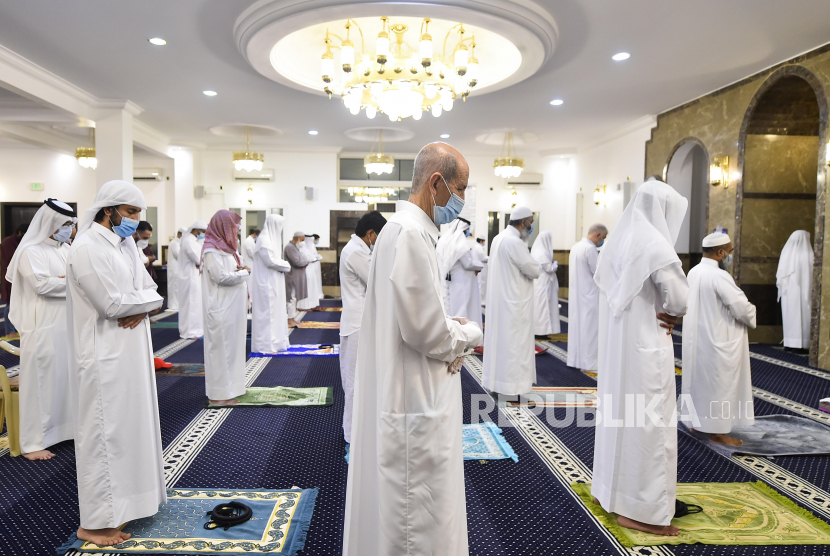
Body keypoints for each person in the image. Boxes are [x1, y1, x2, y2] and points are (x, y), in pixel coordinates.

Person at [343, 143, 482, 556]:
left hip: (409, 387)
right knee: (416, 517)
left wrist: (446, 326)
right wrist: (469, 333)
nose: (461, 199)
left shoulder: (405, 230)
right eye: (460, 188)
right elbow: (428, 335)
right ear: (437, 183)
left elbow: (418, 316)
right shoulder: (410, 233)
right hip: (414, 396)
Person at [66, 180, 165, 547]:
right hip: (103, 354)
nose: (136, 221)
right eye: (131, 212)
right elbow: (111, 306)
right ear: (108, 210)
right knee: (103, 435)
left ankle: (125, 506)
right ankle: (93, 523)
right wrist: (140, 303)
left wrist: (140, 305)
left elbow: (152, 294)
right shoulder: (88, 246)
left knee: (127, 430)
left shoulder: (124, 245)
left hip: (130, 351)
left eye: (139, 213)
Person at [592, 180, 689, 537]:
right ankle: (643, 512)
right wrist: (677, 312)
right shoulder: (655, 245)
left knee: (620, 420)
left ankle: (611, 493)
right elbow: (678, 299)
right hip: (647, 347)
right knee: (650, 426)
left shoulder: (620, 241)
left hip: (620, 349)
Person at [6, 199, 76, 461]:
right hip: (42, 327)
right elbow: (41, 286)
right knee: (41, 383)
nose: (69, 229)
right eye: (66, 224)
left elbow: (77, 280)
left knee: (65, 381)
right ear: (51, 223)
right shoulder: (30, 251)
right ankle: (33, 442)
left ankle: (64, 431)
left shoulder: (65, 249)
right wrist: (67, 282)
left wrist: (63, 281)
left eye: (71, 224)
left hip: (67, 326)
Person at [681, 232, 756, 447]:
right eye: (729, 252)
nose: (730, 256)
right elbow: (741, 307)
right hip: (718, 341)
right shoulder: (719, 276)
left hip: (698, 341)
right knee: (720, 386)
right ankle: (719, 433)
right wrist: (752, 313)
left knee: (699, 383)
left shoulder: (694, 272)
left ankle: (699, 422)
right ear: (721, 252)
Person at [481, 207, 542, 396]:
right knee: (515, 346)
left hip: (502, 303)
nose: (531, 226)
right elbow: (534, 270)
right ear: (523, 222)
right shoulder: (514, 242)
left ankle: (498, 384)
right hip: (515, 304)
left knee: (501, 345)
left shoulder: (499, 238)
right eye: (531, 222)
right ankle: (513, 388)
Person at [339, 211, 387, 443]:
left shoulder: (357, 248)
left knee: (356, 378)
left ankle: (356, 429)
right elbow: (377, 280)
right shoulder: (356, 251)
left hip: (356, 321)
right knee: (355, 380)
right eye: (379, 237)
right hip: (357, 323)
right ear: (370, 234)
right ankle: (352, 433)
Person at [201, 210, 250, 405]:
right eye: (233, 227)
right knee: (221, 351)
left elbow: (231, 271)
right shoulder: (211, 250)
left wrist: (240, 271)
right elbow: (220, 277)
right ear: (222, 226)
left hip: (233, 309)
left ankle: (234, 386)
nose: (235, 231)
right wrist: (244, 274)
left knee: (234, 349)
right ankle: (218, 396)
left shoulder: (227, 249)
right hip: (221, 309)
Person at [567, 223, 608, 373]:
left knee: (578, 329)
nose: (601, 241)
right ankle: (590, 363)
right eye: (602, 238)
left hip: (578, 295)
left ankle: (576, 360)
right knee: (590, 331)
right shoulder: (590, 249)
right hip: (589, 296)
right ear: (597, 235)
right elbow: (598, 273)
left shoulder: (576, 246)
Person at [250, 215, 291, 354]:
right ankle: (266, 345)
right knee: (268, 314)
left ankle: (277, 342)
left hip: (273, 281)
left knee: (275, 312)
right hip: (266, 284)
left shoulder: (271, 239)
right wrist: (286, 265)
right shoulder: (264, 240)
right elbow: (270, 262)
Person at [436, 217, 483, 329]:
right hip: (462, 283)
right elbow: (468, 263)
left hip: (450, 281)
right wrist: (480, 267)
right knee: (462, 310)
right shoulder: (460, 241)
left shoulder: (446, 239)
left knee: (453, 308)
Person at [777, 230, 813, 350]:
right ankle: (802, 344)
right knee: (802, 317)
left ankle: (789, 342)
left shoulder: (786, 254)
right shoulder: (808, 255)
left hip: (788, 294)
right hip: (803, 294)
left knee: (791, 316)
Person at [178, 220, 207, 339]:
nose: (203, 234)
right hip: (189, 277)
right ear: (197, 230)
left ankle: (196, 329)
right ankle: (190, 331)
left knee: (195, 303)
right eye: (203, 232)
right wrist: (202, 262)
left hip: (195, 275)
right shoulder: (188, 240)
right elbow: (197, 259)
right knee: (191, 304)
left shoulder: (194, 240)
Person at [1, 224, 29, 336]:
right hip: (10, 277)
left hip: (21, 276)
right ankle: (9, 331)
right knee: (10, 304)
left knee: (18, 303)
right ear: (19, 232)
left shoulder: (22, 242)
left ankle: (16, 328)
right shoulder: (8, 242)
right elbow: (13, 258)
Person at [531, 231, 561, 336]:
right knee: (543, 307)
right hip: (543, 283)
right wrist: (556, 264)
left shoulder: (536, 251)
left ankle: (539, 329)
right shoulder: (542, 253)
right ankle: (542, 330)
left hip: (539, 282)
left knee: (539, 306)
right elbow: (550, 268)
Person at [284, 231, 308, 328]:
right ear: (297, 238)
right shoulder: (290, 247)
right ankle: (290, 320)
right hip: (292, 276)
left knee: (295, 298)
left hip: (296, 277)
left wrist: (304, 262)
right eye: (302, 239)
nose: (303, 242)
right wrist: (305, 262)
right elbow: (297, 262)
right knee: (292, 298)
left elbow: (301, 260)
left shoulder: (294, 247)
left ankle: (292, 318)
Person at [297, 235, 322, 311]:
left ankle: (312, 305)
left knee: (312, 288)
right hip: (306, 270)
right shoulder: (302, 248)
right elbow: (308, 258)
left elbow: (312, 257)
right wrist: (315, 258)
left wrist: (315, 258)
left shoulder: (309, 248)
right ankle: (304, 306)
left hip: (311, 270)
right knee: (307, 288)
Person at [166, 228, 185, 311]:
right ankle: (173, 306)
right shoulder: (174, 243)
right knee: (174, 287)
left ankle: (176, 305)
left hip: (178, 268)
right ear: (179, 234)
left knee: (177, 287)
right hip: (174, 269)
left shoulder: (178, 242)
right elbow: (178, 254)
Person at [473, 235, 488, 307]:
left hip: (477, 268)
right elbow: (483, 258)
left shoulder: (476, 247)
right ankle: (481, 301)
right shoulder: (479, 247)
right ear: (481, 241)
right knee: (481, 284)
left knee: (479, 284)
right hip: (481, 269)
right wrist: (489, 258)